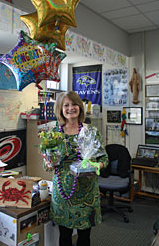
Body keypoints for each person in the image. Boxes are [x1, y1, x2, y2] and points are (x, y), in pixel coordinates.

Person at [40, 91, 108, 246]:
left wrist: (97, 165)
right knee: (64, 236)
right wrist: (49, 163)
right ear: (60, 109)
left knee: (84, 237)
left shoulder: (91, 131)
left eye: (74, 104)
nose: (71, 108)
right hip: (63, 195)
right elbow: (46, 165)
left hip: (87, 194)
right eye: (66, 105)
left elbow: (104, 158)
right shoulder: (54, 134)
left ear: (80, 107)